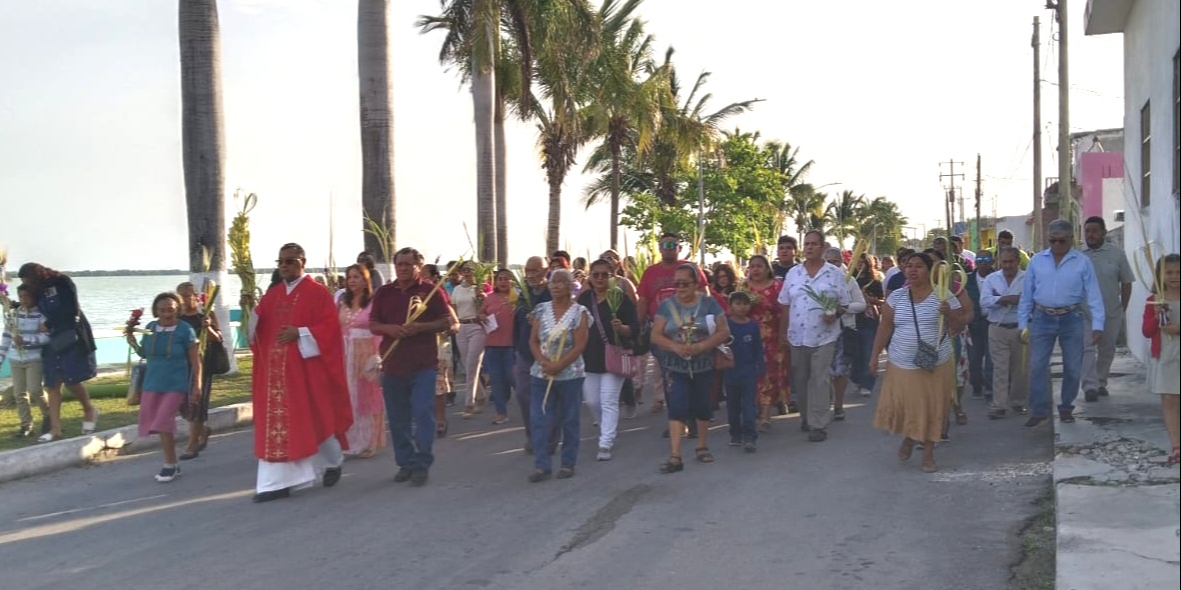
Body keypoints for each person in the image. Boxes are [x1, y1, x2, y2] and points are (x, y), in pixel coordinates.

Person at [248, 243, 353, 502]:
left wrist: (301, 332)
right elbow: (256, 330)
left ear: (302, 262)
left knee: (317, 419)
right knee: (287, 423)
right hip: (275, 374)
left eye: (290, 261)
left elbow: (330, 329)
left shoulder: (317, 293)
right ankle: (276, 482)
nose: (284, 265)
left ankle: (332, 461)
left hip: (306, 369)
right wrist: (249, 309)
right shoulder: (272, 295)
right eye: (281, 261)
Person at [870, 252, 965, 473]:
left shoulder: (944, 296)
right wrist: (874, 356)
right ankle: (910, 438)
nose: (912, 270)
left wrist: (950, 314)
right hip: (901, 363)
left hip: (936, 362)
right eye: (909, 266)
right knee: (908, 408)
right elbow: (884, 328)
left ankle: (929, 454)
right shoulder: (896, 298)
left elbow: (960, 324)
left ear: (930, 270)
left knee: (933, 409)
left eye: (919, 266)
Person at [371, 247, 455, 487]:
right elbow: (374, 323)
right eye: (400, 264)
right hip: (393, 365)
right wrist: (391, 329)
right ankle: (405, 463)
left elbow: (447, 321)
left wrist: (421, 327)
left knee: (422, 413)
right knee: (398, 420)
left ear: (419, 265)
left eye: (409, 264)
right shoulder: (384, 292)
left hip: (423, 365)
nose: (404, 268)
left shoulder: (430, 292)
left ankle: (422, 462)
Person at [1018, 220, 1106, 427]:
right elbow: (1027, 295)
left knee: (1074, 367)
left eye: (1061, 241)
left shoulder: (1082, 262)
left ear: (1070, 240)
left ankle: (1066, 406)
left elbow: (1093, 294)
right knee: (1038, 366)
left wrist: (1098, 324)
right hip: (1042, 317)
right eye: (1053, 240)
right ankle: (1039, 410)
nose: (1057, 245)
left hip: (1072, 317)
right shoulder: (1037, 261)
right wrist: (1023, 323)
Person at [650, 264, 731, 473]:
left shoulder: (709, 303)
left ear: (696, 284)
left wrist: (702, 346)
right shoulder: (666, 306)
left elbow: (724, 331)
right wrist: (675, 347)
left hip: (703, 365)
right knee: (677, 406)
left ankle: (702, 446)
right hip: (676, 366)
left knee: (702, 406)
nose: (680, 288)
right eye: (676, 284)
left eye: (685, 284)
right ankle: (675, 455)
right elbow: (656, 335)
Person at [778, 231, 851, 442]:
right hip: (797, 336)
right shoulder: (793, 273)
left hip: (825, 336)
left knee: (819, 379)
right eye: (806, 244)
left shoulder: (834, 274)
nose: (809, 247)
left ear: (822, 247)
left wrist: (834, 314)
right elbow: (785, 304)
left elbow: (844, 303)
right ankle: (806, 416)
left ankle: (818, 424)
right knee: (801, 379)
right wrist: (783, 333)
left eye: (813, 244)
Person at [17, 263, 99, 443]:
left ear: (36, 275)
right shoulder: (36, 290)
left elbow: (71, 309)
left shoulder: (62, 282)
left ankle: (89, 410)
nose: (28, 284)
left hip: (69, 335)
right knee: (52, 383)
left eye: (28, 280)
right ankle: (55, 429)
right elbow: (28, 303)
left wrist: (50, 324)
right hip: (50, 340)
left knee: (71, 380)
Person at [125, 292, 201, 482]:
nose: (167, 314)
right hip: (152, 382)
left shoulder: (185, 330)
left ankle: (169, 464)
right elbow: (145, 352)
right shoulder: (151, 327)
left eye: (171, 310)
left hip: (176, 383)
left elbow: (195, 360)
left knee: (163, 422)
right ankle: (173, 463)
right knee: (158, 425)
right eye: (162, 310)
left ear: (178, 310)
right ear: (156, 311)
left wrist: (196, 384)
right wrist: (132, 341)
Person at [636, 232, 708, 416]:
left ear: (679, 248)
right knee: (669, 374)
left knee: (690, 373)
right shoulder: (650, 272)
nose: (668, 249)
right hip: (662, 334)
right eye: (664, 245)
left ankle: (694, 415)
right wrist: (637, 327)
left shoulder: (690, 268)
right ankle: (676, 417)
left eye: (672, 245)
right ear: (659, 248)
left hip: (689, 331)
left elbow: (704, 294)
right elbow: (643, 301)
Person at [526, 269, 589, 482]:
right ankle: (542, 465)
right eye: (553, 282)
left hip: (570, 375)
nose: (555, 286)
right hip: (541, 374)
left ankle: (568, 463)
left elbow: (580, 345)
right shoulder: (541, 310)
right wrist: (543, 362)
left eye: (561, 282)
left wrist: (560, 364)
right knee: (539, 418)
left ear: (571, 286)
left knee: (570, 418)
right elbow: (533, 341)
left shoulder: (579, 313)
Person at [578, 259, 639, 461]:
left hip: (614, 356)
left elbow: (635, 327)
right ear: (590, 277)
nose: (600, 279)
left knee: (609, 400)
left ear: (612, 276)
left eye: (605, 275)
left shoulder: (620, 298)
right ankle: (608, 428)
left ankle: (605, 442)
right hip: (590, 357)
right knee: (593, 400)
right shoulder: (585, 299)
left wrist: (622, 329)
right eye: (596, 274)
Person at [1080, 216, 1134, 402]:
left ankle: (1100, 382)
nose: (1090, 234)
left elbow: (1126, 282)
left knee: (1107, 349)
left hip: (1111, 311)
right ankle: (1089, 387)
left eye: (1094, 231)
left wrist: (1122, 309)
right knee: (1087, 348)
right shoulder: (1078, 256)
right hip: (1085, 313)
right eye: (1087, 231)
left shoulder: (1117, 254)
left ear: (1103, 232)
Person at [337, 264, 386, 457]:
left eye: (356, 277)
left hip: (366, 352)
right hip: (345, 353)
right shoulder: (342, 302)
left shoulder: (373, 303)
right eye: (349, 277)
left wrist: (378, 356)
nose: (352, 280)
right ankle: (350, 440)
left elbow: (378, 330)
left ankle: (369, 442)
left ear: (365, 281)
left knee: (367, 398)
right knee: (348, 397)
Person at [176, 281, 223, 460]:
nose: (185, 300)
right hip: (181, 366)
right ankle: (203, 430)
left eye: (188, 295)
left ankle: (192, 444)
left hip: (202, 365)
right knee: (183, 405)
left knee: (196, 404)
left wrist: (207, 326)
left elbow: (218, 338)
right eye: (181, 296)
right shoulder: (177, 318)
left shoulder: (206, 314)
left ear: (196, 296)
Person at [980, 247, 1029, 418]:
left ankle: (1018, 402)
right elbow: (984, 301)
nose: (1007, 265)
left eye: (1011, 261)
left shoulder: (1027, 278)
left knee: (1020, 369)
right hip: (997, 328)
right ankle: (999, 405)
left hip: (1020, 328)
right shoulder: (992, 279)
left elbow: (1031, 300)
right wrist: (1005, 299)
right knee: (1000, 368)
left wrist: (1014, 299)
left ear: (1017, 261)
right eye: (1004, 261)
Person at [512, 256, 555, 453]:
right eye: (527, 271)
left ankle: (549, 438)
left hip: (548, 354)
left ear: (545, 271)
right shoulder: (523, 294)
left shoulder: (553, 292)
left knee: (548, 398)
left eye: (534, 271)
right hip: (524, 353)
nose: (530, 275)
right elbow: (516, 322)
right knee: (523, 395)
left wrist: (540, 323)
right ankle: (533, 435)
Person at [740, 255, 787, 430]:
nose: (755, 270)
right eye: (752, 266)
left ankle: (766, 414)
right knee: (754, 375)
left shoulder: (777, 287)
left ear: (767, 269)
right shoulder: (744, 288)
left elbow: (784, 312)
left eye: (759, 266)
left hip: (772, 337)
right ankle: (759, 409)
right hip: (749, 338)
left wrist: (783, 335)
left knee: (769, 375)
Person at [1142, 254, 1180, 466]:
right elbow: (1147, 332)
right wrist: (1156, 316)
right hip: (1166, 355)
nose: (1175, 276)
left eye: (1179, 272)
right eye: (1170, 272)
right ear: (1160, 275)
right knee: (1169, 399)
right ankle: (1176, 446)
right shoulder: (1154, 299)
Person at [0, 284, 51, 437]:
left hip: (34, 359)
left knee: (35, 389)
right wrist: (1, 357)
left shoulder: (40, 316)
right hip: (16, 359)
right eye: (21, 296)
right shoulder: (13, 314)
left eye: (27, 296)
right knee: (19, 393)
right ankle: (26, 426)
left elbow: (47, 337)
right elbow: (7, 337)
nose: (24, 300)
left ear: (34, 297)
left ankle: (49, 415)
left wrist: (26, 340)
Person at [822, 248, 866, 422]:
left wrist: (844, 308)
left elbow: (861, 304)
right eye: (829, 261)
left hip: (843, 331)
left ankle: (838, 405)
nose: (832, 265)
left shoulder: (849, 281)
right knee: (822, 372)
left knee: (840, 371)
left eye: (836, 261)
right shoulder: (815, 280)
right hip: (821, 332)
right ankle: (823, 405)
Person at [724, 291, 765, 452]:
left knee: (749, 405)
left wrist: (760, 366)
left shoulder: (752, 325)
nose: (742, 307)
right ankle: (735, 433)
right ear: (731, 306)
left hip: (748, 372)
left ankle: (750, 437)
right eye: (738, 304)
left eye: (745, 304)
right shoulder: (726, 326)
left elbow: (758, 348)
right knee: (733, 405)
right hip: (730, 372)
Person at [422, 263, 459, 437]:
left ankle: (440, 419)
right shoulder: (411, 296)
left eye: (426, 276)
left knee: (438, 386)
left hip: (438, 347)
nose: (422, 279)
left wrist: (448, 328)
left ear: (435, 278)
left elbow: (454, 322)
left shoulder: (439, 296)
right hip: (418, 347)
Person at [479, 269, 518, 425]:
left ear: (512, 281)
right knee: (496, 381)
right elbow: (479, 314)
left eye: (506, 279)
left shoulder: (517, 297)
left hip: (511, 345)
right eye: (500, 279)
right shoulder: (490, 298)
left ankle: (529, 406)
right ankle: (501, 412)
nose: (503, 281)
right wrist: (481, 316)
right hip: (492, 345)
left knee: (514, 379)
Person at [452, 262, 488, 416]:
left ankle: (469, 403)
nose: (467, 273)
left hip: (477, 327)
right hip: (462, 327)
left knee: (472, 364)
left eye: (470, 270)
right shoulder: (457, 289)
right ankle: (481, 396)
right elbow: (453, 308)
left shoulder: (481, 288)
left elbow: (488, 306)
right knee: (468, 365)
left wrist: (482, 296)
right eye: (464, 270)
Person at [851, 253, 884, 397]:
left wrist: (871, 299)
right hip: (853, 319)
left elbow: (883, 301)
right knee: (855, 353)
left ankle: (867, 383)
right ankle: (857, 379)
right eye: (857, 262)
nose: (859, 265)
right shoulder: (851, 280)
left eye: (862, 262)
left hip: (869, 320)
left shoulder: (874, 281)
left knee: (868, 352)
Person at [965, 253, 995, 400]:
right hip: (973, 323)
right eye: (980, 260)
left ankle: (990, 387)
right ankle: (977, 385)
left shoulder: (998, 277)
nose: (983, 263)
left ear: (992, 262)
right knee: (974, 358)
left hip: (993, 322)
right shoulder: (968, 279)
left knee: (992, 358)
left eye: (986, 260)